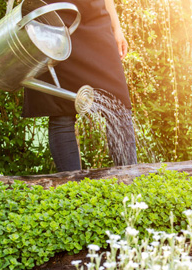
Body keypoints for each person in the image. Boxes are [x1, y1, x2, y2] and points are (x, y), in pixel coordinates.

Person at [23, 0, 137, 172]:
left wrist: (117, 27)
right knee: (61, 109)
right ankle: (73, 189)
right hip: (53, 18)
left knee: (118, 106)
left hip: (95, 18)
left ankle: (130, 181)